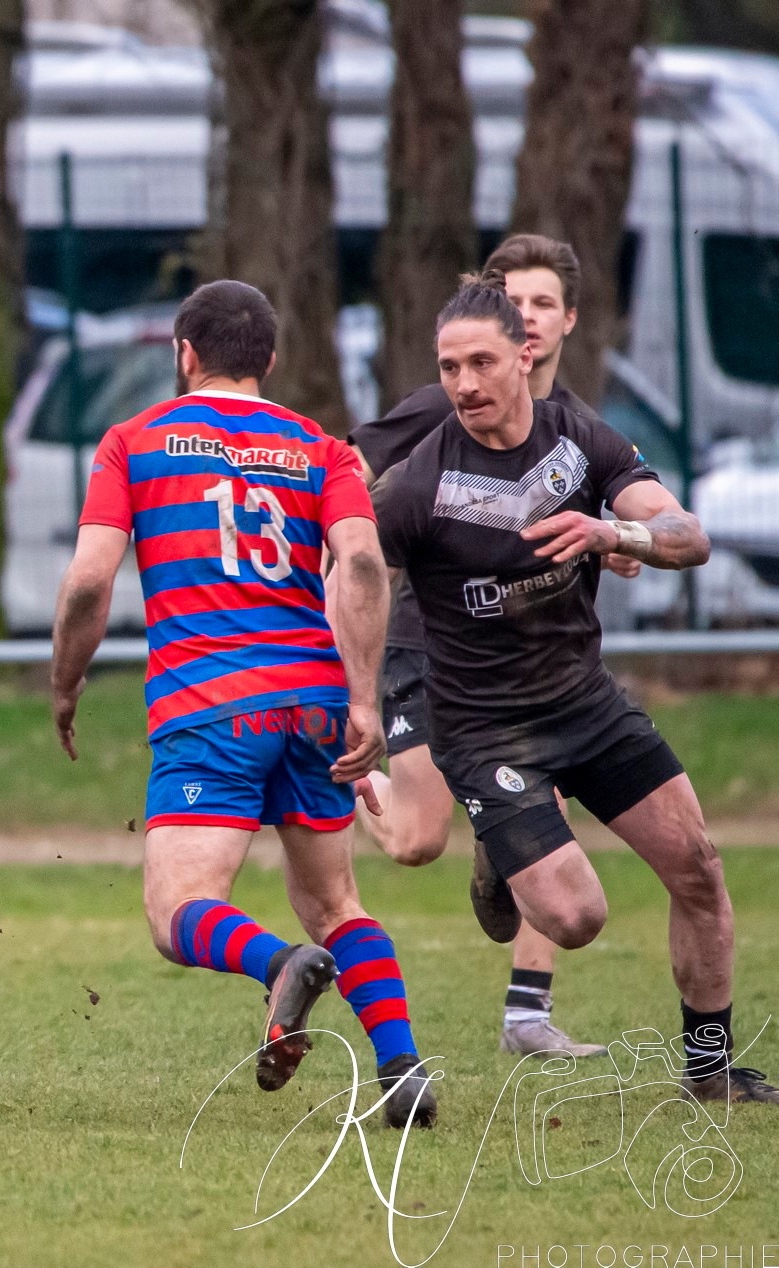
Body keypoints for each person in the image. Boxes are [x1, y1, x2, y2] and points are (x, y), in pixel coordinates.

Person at [373, 271, 776, 1103]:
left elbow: (687, 535)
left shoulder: (578, 439)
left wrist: (613, 531)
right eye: (449, 367)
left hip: (586, 706)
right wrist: (341, 695)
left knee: (700, 868)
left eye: (481, 363)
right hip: (484, 730)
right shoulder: (419, 483)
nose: (463, 384)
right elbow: (352, 571)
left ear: (526, 356)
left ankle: (709, 1072)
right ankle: (495, 847)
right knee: (576, 918)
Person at [51, 279, 435, 1128]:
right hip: (316, 705)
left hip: (212, 704)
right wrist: (363, 702)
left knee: (176, 911)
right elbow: (362, 565)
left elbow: (87, 582)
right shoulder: (322, 449)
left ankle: (278, 966)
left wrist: (66, 681)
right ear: (270, 358)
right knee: (335, 903)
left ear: (184, 354)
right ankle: (402, 1066)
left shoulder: (132, 442)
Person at [351, 234, 635, 1058]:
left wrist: (623, 543)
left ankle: (526, 1015)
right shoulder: (444, 404)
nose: (528, 315)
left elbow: (624, 515)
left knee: (549, 801)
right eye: (514, 301)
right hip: (431, 648)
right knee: (415, 841)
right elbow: (351, 478)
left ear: (566, 321)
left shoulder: (573, 427)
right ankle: (353, 779)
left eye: (544, 303)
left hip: (532, 662)